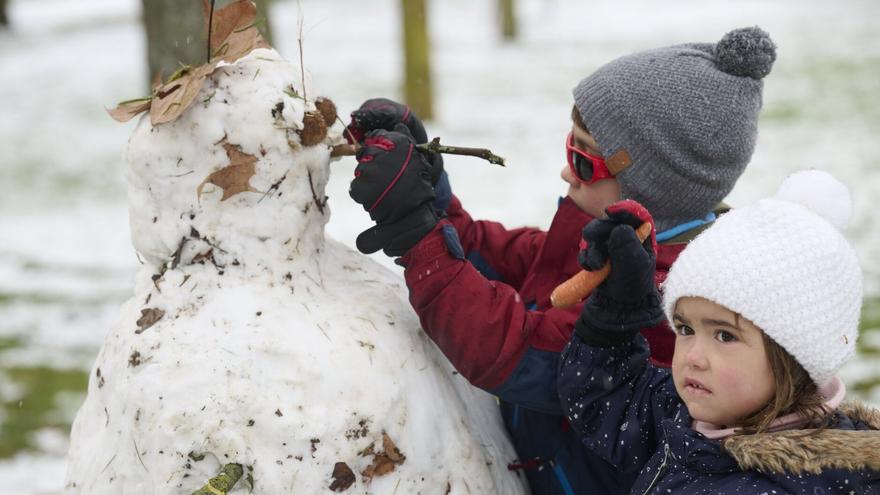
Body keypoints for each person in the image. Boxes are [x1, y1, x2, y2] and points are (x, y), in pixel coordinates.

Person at [345, 27, 777, 494]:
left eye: (585, 159)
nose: (567, 170)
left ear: (651, 184)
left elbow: (520, 353)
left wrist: (416, 232)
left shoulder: (669, 299)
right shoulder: (604, 231)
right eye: (569, 147)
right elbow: (501, 257)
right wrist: (429, 192)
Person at [557, 170, 880, 493]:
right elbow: (606, 398)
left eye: (725, 336)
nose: (693, 357)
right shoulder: (698, 417)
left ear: (795, 356)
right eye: (685, 328)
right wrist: (616, 311)